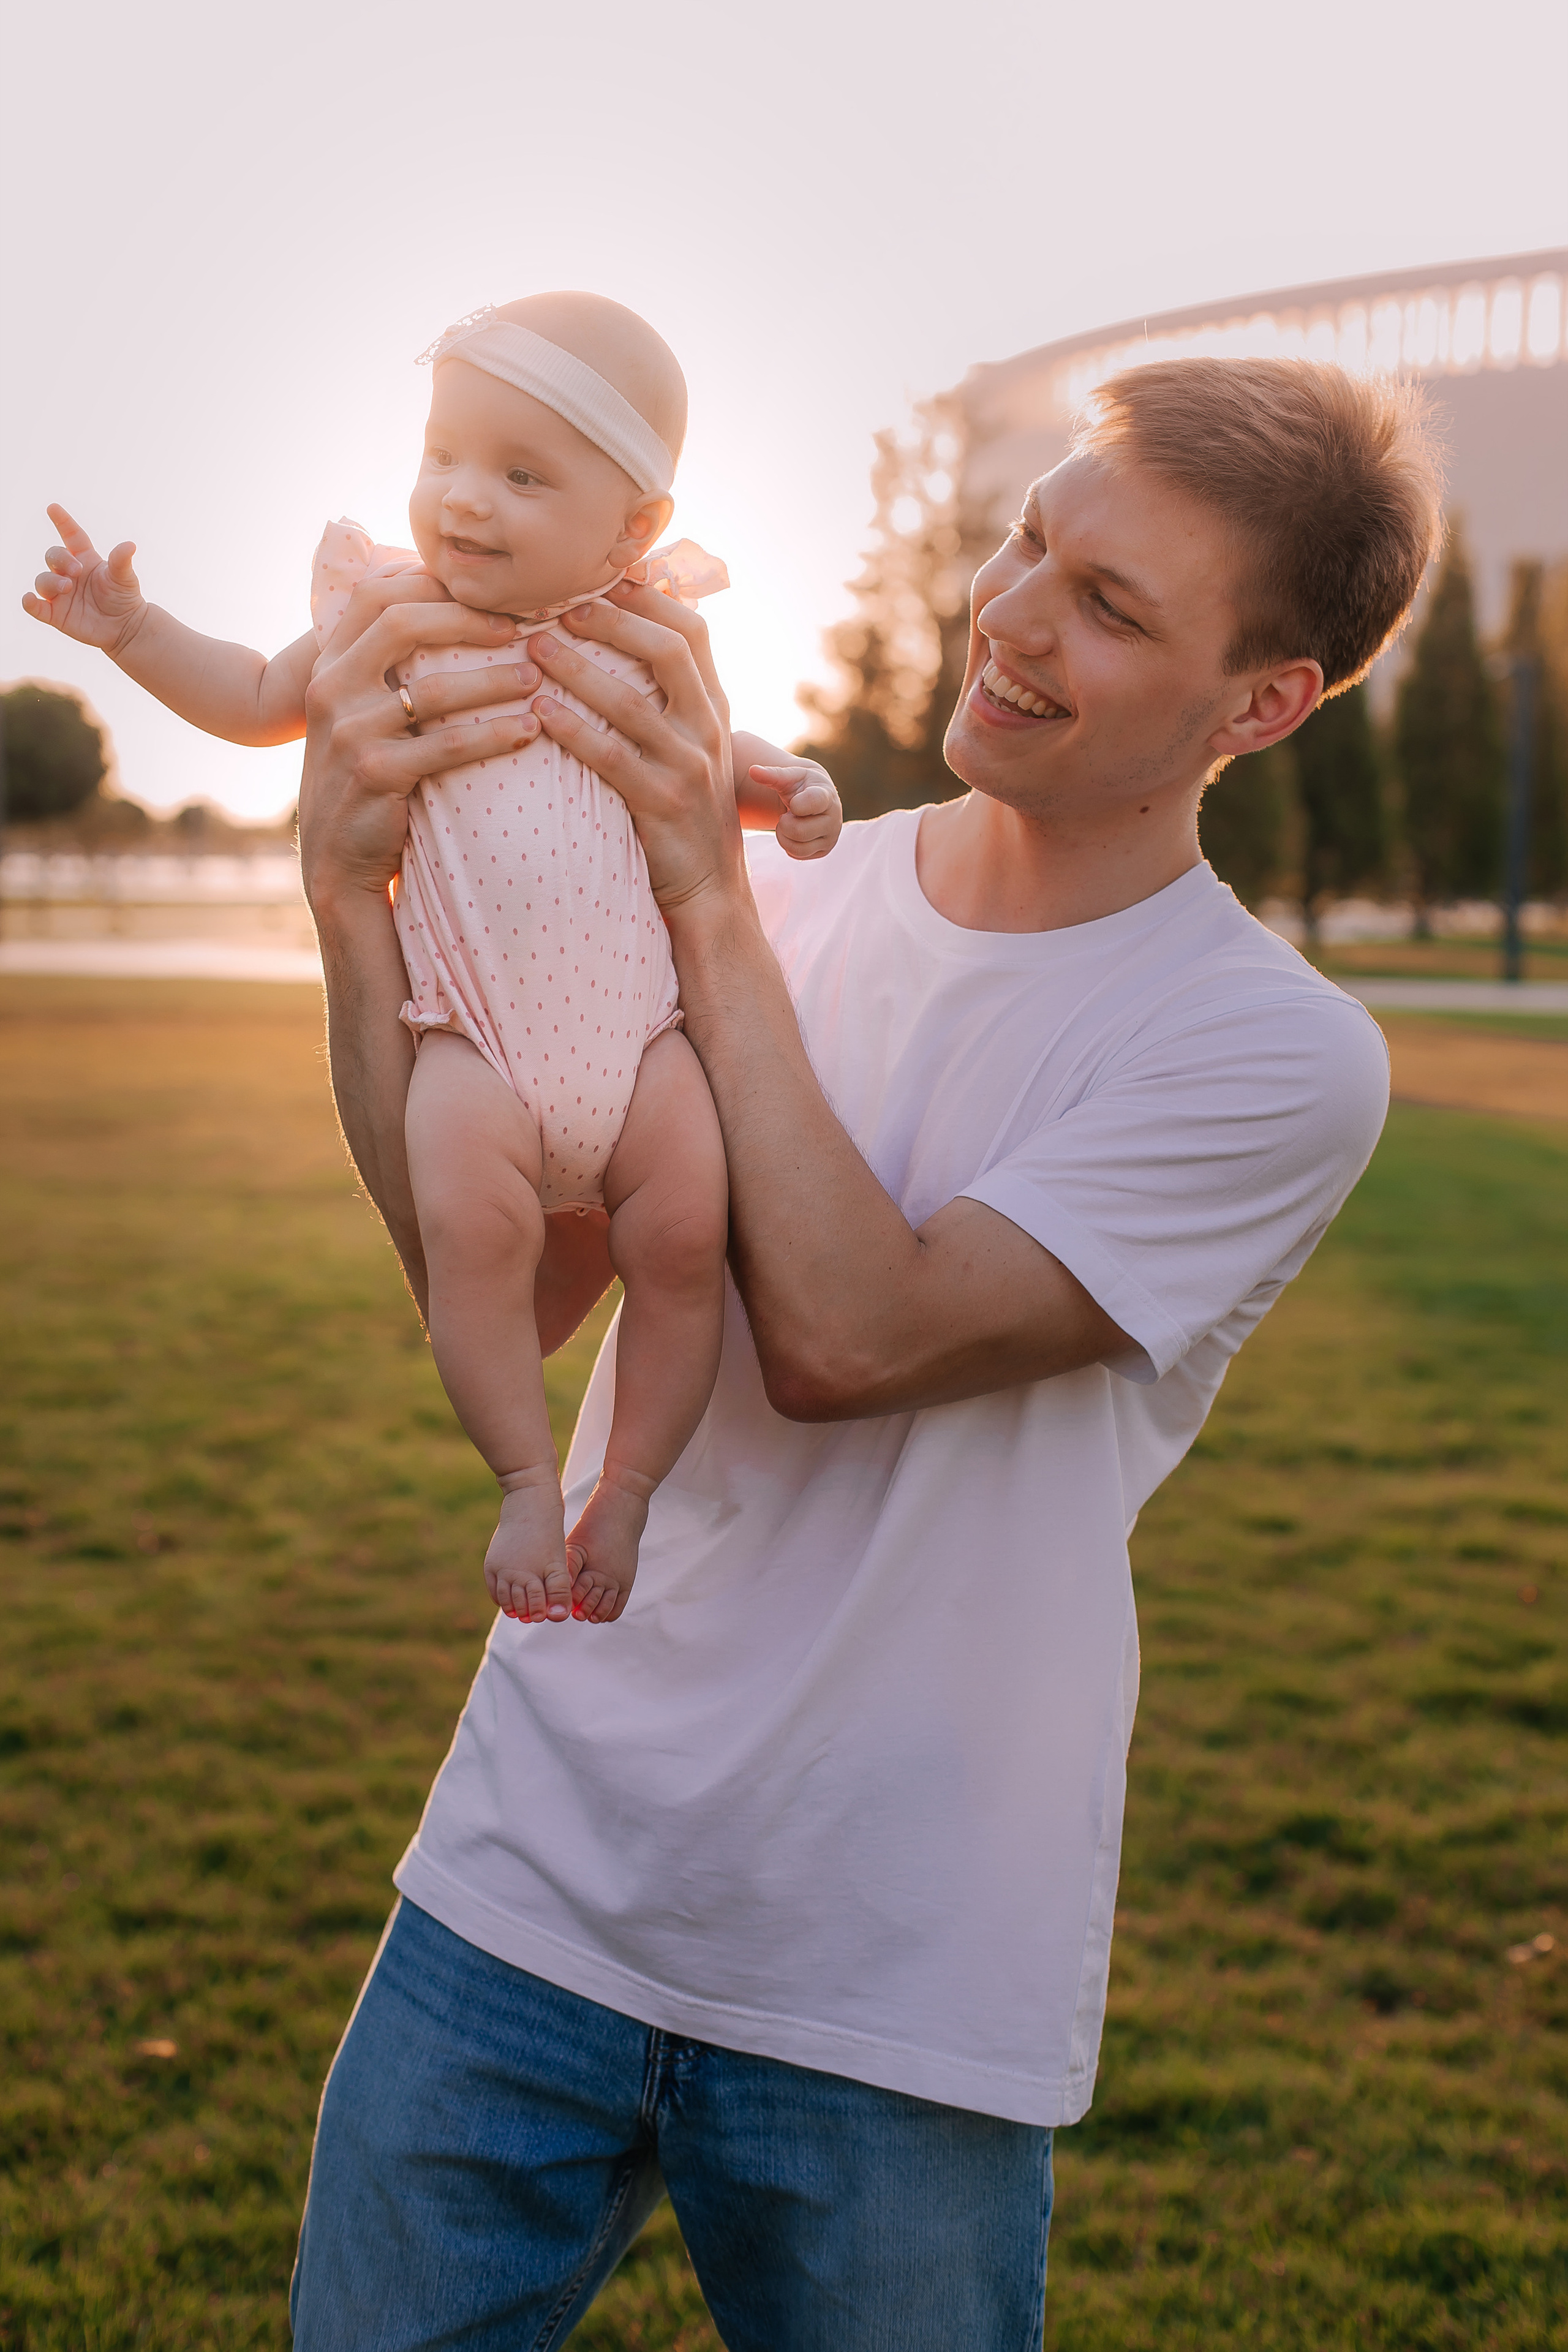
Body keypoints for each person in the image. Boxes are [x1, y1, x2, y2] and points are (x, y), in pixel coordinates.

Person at [288, 355, 1440, 2350]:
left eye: (1111, 605)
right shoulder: (783, 877)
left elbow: (844, 1334)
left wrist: (703, 905)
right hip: (525, 1886)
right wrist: (346, 914)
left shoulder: (1269, 1053)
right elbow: (519, 1291)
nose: (1010, 615)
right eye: (1030, 545)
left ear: (1263, 705)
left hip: (887, 1986)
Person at [22, 291, 842, 1628]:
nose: (461, 498)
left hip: (643, 1050)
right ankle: (525, 1478)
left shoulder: (634, 639)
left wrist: (786, 786)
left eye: (521, 474)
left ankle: (622, 1491)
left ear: (632, 528)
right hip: (474, 1041)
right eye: (444, 454)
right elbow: (245, 699)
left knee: (685, 1245)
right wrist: (130, 629)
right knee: (471, 1236)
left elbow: (709, 762)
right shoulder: (378, 611)